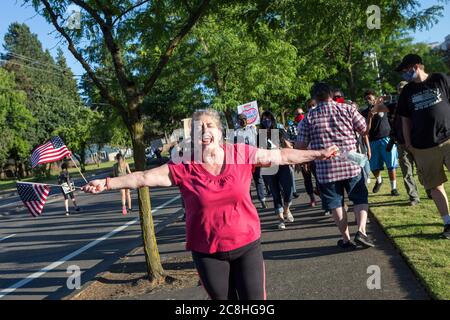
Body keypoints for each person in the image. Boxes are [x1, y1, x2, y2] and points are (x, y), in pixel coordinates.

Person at [82, 108, 338, 300]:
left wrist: (318, 153)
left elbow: (281, 155)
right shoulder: (183, 165)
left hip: (247, 245)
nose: (205, 131)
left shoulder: (241, 153)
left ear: (220, 131)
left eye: (210, 126)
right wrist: (106, 183)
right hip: (208, 252)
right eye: (198, 128)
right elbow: (143, 177)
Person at [297, 82, 375, 249]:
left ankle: (346, 239)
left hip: (327, 170)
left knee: (335, 204)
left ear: (314, 98)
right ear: (331, 94)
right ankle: (361, 231)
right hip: (351, 163)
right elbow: (364, 130)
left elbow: (301, 147)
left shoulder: (308, 119)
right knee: (360, 198)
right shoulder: (347, 109)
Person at [395, 53, 450, 239]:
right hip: (423, 147)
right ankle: (448, 223)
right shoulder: (407, 92)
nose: (404, 73)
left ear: (416, 66)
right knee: (435, 186)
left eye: (405, 69)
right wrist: (408, 143)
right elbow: (405, 120)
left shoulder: (439, 79)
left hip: (448, 139)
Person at [371, 81, 421, 206]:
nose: (402, 91)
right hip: (401, 143)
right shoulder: (394, 106)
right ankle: (413, 197)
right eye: (399, 90)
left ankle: (430, 191)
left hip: (418, 142)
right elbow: (375, 110)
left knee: (423, 170)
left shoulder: (416, 102)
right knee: (406, 172)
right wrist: (378, 101)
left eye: (404, 89)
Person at [260, 111, 296, 229]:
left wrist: (285, 147)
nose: (266, 121)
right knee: (275, 193)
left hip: (282, 165)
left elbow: (289, 146)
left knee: (288, 191)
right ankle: (281, 219)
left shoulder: (280, 132)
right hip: (269, 167)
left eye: (268, 119)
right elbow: (258, 151)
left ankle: (286, 210)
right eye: (264, 119)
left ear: (273, 119)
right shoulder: (260, 134)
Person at [361, 89, 399, 196]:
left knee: (391, 165)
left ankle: (394, 188)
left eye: (370, 98)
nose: (368, 100)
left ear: (374, 97)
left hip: (386, 138)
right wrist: (370, 117)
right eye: (366, 99)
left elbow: (391, 99)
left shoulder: (383, 105)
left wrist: (380, 99)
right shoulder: (365, 112)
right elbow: (365, 130)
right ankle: (379, 180)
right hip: (373, 141)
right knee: (374, 167)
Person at [234, 113, 267, 209]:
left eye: (244, 119)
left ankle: (262, 199)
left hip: (254, 157)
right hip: (243, 160)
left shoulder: (252, 129)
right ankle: (249, 202)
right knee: (246, 181)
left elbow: (258, 139)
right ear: (237, 121)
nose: (242, 121)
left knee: (258, 179)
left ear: (247, 120)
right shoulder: (236, 132)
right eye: (240, 119)